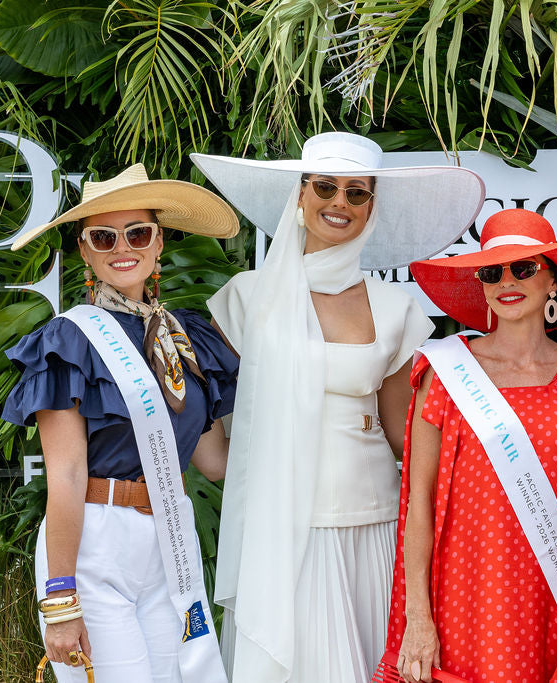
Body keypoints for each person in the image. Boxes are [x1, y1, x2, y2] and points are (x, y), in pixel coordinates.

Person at [189, 132, 486, 683]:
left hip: (370, 525)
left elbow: (405, 436)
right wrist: (214, 455)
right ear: (300, 195)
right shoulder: (247, 298)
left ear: (372, 205)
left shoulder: (395, 308)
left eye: (357, 191)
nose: (339, 202)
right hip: (281, 527)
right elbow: (206, 426)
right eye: (325, 187)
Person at [2, 164, 241, 683]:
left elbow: (215, 462)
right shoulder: (69, 342)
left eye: (138, 233)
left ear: (159, 242)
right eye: (104, 237)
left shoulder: (186, 341)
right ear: (85, 251)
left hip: (170, 538)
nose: (122, 247)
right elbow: (66, 476)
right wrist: (60, 599)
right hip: (96, 542)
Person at [383, 208, 557, 683]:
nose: (507, 281)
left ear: (553, 281)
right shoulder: (444, 372)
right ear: (482, 287)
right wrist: (418, 615)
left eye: (524, 267)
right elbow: (419, 503)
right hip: (463, 589)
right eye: (492, 272)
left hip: (546, 591)